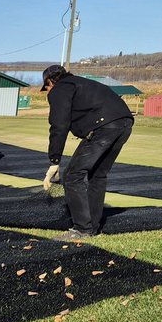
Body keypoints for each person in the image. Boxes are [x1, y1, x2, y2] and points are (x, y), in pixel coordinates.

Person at [41, 64, 135, 241]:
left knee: (72, 175)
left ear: (50, 81)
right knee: (98, 174)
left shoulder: (60, 88)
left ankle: (82, 229)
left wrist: (54, 160)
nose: (47, 91)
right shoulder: (82, 83)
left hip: (105, 125)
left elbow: (59, 125)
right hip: (124, 123)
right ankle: (92, 227)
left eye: (46, 87)